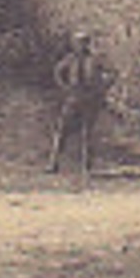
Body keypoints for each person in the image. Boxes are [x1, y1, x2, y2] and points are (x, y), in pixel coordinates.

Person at [46, 31, 110, 177]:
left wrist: (101, 88)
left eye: (83, 43)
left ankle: (87, 167)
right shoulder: (70, 60)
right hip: (74, 97)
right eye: (77, 43)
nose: (80, 46)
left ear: (87, 44)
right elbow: (58, 71)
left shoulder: (95, 60)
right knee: (62, 131)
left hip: (90, 99)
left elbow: (111, 73)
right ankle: (53, 163)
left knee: (87, 133)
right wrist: (64, 86)